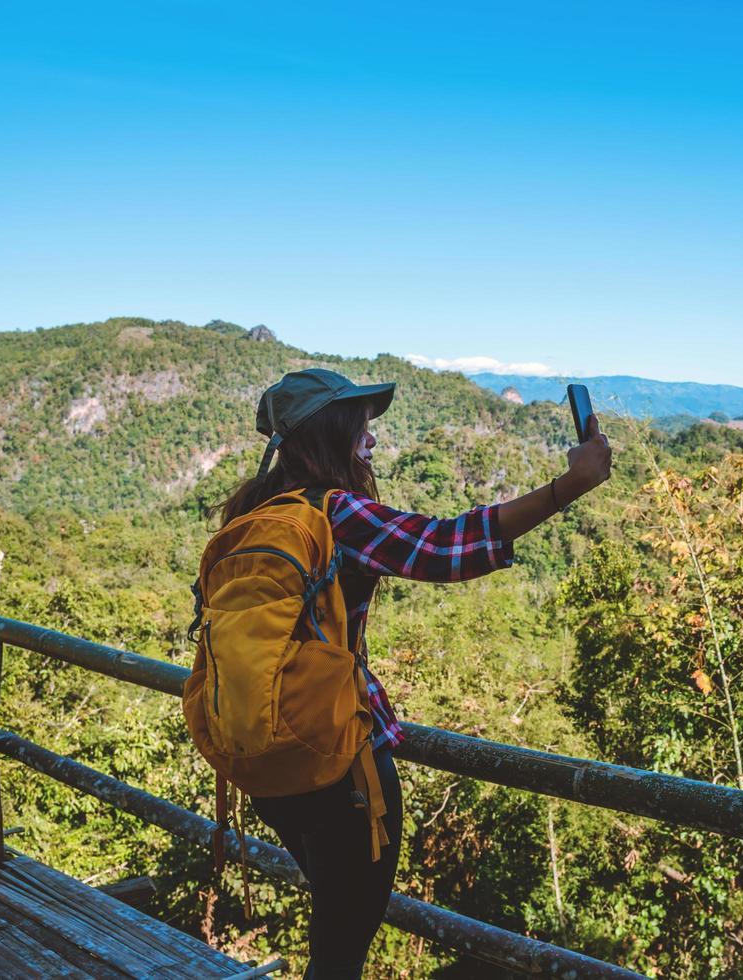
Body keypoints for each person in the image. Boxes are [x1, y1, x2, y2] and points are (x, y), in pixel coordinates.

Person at [214, 368, 611, 978]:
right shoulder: (337, 514)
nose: (370, 442)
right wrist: (569, 486)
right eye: (360, 430)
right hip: (339, 767)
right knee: (342, 947)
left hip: (266, 759)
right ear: (329, 435)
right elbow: (442, 546)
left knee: (333, 928)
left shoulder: (253, 511)